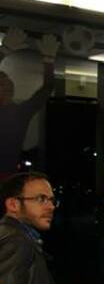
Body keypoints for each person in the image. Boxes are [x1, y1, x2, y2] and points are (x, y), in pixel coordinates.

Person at [0, 28, 59, 177]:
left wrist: (49, 59)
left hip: (8, 180)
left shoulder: (19, 113)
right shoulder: (19, 113)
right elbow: (47, 88)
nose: (6, 83)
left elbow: (47, 88)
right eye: (1, 82)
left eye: (6, 80)